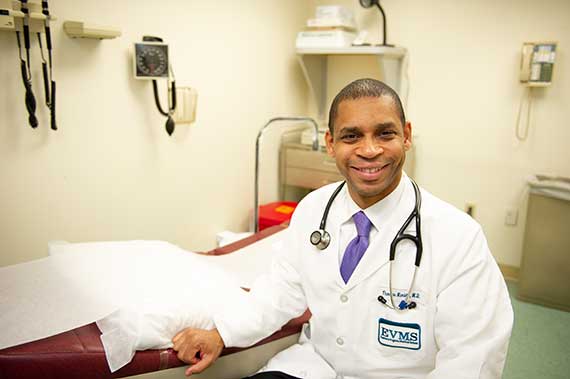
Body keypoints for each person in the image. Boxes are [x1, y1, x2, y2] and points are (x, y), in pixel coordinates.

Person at [172, 78, 514, 378]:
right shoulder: (312, 210)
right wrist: (221, 333)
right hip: (312, 367)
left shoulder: (458, 237)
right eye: (352, 136)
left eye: (385, 133)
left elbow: (474, 358)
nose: (369, 150)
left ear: (406, 136)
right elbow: (280, 293)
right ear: (331, 143)